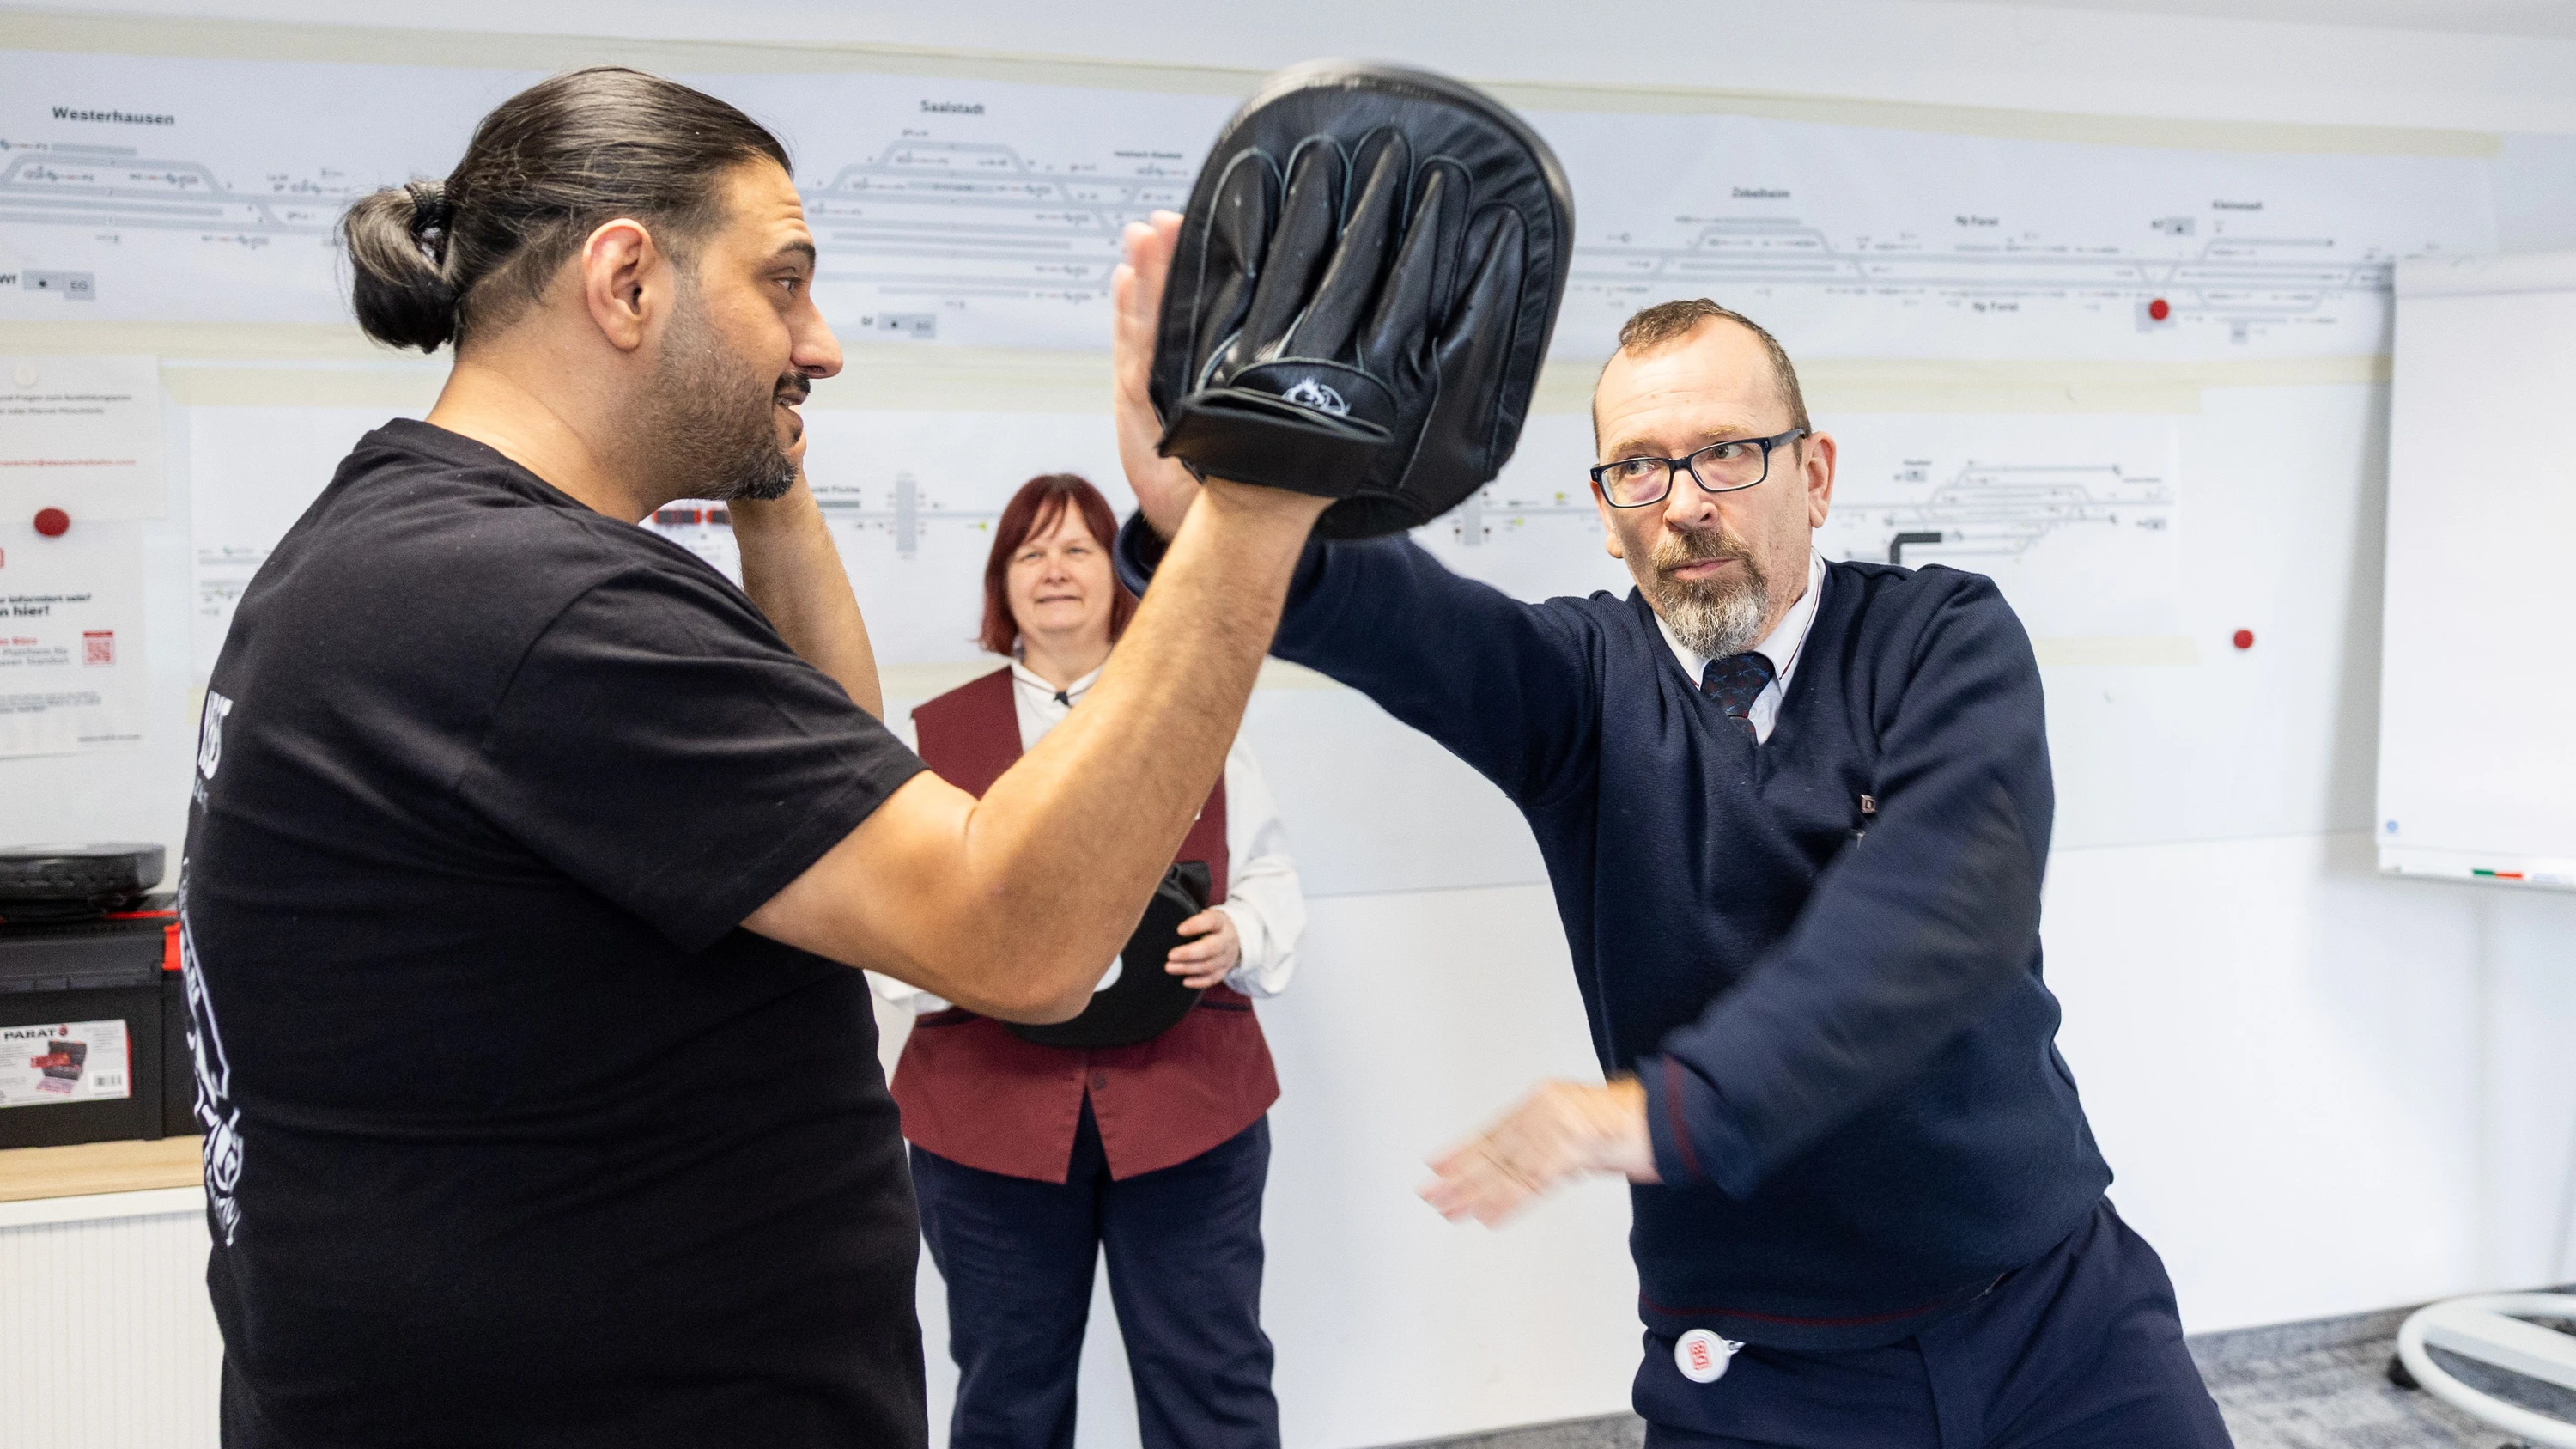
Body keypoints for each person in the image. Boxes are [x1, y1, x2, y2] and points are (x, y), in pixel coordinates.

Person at [179, 70, 1329, 1447]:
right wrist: (1257, 501)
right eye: (783, 283)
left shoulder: (414, 544)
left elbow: (824, 769)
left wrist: (764, 477)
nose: (822, 342)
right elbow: (1023, 939)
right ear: (627, 283)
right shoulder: (534, 608)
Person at [1112, 275, 2234, 1446]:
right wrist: (1222, 526)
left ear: (1816, 473)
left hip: (2056, 1313)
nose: (1685, 502)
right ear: (1605, 511)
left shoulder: (1941, 637)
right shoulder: (1583, 687)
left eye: (1729, 453)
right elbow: (1409, 619)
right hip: (1759, 1360)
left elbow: (1943, 904)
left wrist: (1666, 1113)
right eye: (1639, 467)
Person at [874, 472, 1306, 1449]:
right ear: (1002, 584)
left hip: (1191, 1109)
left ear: (1119, 576)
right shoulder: (931, 738)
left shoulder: (1198, 712)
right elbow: (888, 928)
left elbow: (1273, 882)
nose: (1055, 569)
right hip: (987, 1123)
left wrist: (1240, 932)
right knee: (1007, 1390)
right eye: (1030, 551)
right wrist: (966, 955)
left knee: (1214, 1380)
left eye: (1077, 548)